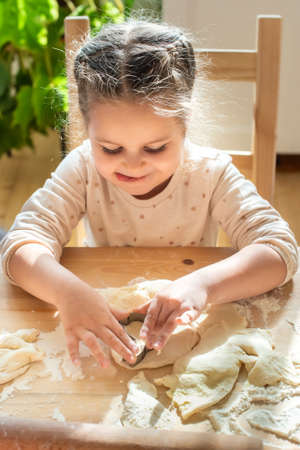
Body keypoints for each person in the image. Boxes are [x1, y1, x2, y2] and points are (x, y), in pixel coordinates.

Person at [1, 19, 298, 369]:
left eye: (156, 147)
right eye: (110, 148)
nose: (133, 164)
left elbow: (280, 251)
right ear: (85, 128)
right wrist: (68, 292)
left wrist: (203, 285)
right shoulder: (82, 168)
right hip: (105, 316)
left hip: (190, 332)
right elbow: (20, 247)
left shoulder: (209, 173)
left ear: (184, 125)